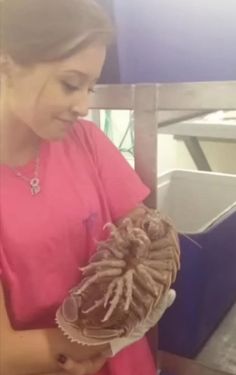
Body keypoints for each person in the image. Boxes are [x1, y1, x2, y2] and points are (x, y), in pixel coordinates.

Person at [0, 1, 174, 374]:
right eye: (70, 84)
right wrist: (104, 340)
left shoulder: (87, 141)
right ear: (7, 63)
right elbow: (5, 351)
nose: (84, 105)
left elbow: (150, 236)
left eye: (91, 87)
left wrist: (152, 261)